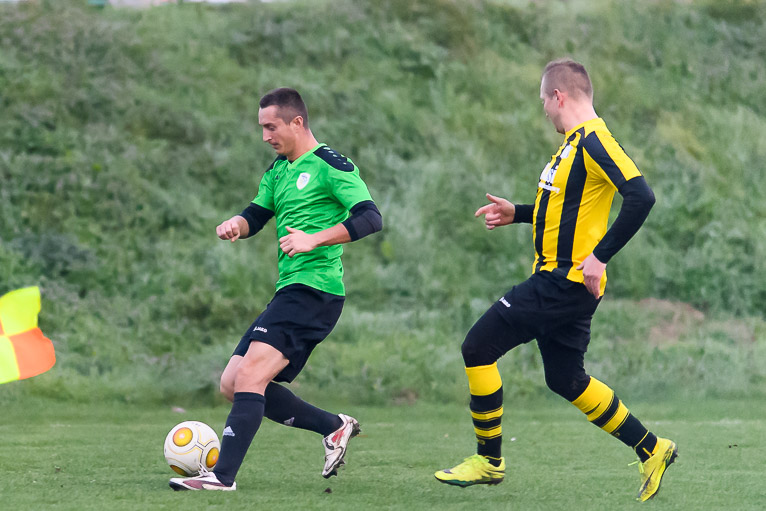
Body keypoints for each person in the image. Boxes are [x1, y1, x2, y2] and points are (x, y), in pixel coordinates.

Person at [434, 59, 677, 502]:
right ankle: (651, 447)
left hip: (563, 282)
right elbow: (565, 211)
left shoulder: (595, 140)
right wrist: (517, 213)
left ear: (558, 97)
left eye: (544, 101)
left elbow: (641, 196)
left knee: (477, 347)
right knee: (566, 379)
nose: (544, 110)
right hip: (564, 284)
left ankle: (489, 461)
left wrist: (600, 257)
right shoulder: (573, 145)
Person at [170, 87, 383, 491]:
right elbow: (256, 214)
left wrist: (314, 238)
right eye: (262, 128)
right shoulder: (279, 170)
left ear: (296, 122)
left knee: (251, 374)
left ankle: (222, 477)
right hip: (290, 290)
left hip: (316, 290)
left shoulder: (330, 165)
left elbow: (371, 218)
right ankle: (333, 426)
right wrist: (236, 224)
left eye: (271, 127)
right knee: (233, 383)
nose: (266, 136)